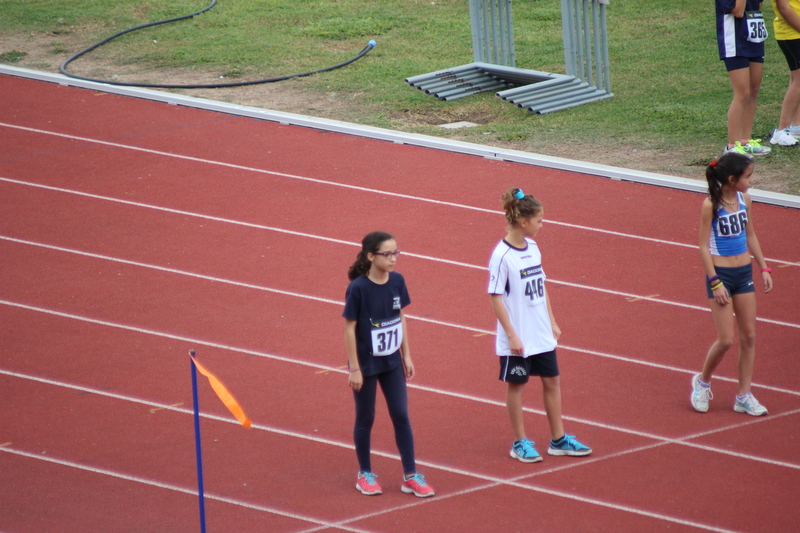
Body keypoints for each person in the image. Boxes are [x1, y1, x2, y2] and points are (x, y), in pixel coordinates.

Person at [488, 188, 592, 463]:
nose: (542, 225)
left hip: (540, 330)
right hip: (518, 335)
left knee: (552, 381)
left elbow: (541, 286)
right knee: (517, 385)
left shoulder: (533, 247)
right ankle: (519, 442)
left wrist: (553, 321)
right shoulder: (502, 256)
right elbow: (495, 298)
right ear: (524, 222)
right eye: (540, 220)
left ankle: (558, 439)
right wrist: (511, 335)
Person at [343, 231, 434, 497]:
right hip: (367, 364)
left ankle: (410, 475)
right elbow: (349, 329)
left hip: (392, 361)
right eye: (387, 254)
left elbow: (400, 316)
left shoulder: (397, 281)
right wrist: (354, 367)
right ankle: (365, 473)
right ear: (371, 256)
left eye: (396, 252)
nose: (394, 258)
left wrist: (406, 354)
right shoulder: (358, 288)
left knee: (401, 415)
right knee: (366, 417)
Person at [691, 153, 773, 416]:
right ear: (731, 179)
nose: (752, 180)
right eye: (748, 176)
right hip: (722, 277)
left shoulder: (744, 199)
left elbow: (750, 234)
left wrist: (764, 267)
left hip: (743, 273)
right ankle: (702, 382)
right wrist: (715, 282)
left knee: (749, 336)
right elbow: (703, 247)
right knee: (726, 339)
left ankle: (744, 395)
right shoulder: (710, 206)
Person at [716, 0, 772, 155]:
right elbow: (738, 11)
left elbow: (757, 5)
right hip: (734, 42)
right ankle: (732, 146)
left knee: (753, 91)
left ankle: (745, 140)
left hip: (754, 38)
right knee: (743, 93)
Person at [768, 0, 800, 146]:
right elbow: (783, 7)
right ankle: (782, 130)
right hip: (792, 33)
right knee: (798, 81)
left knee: (796, 79)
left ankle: (795, 125)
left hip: (795, 32)